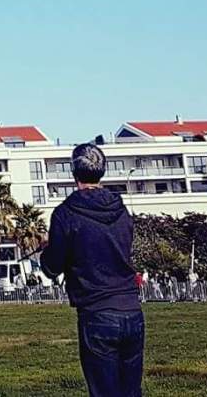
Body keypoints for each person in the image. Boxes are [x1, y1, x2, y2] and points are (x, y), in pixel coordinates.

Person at [41, 142, 142, 397]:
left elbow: (52, 267)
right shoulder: (121, 210)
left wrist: (49, 249)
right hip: (131, 308)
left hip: (97, 311)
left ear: (74, 172)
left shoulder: (66, 214)